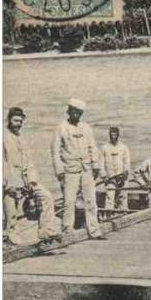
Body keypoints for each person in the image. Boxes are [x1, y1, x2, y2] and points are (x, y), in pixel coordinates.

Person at [4, 107, 59, 244]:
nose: (18, 124)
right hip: (9, 180)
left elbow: (29, 161)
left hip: (26, 180)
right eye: (16, 120)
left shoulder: (22, 138)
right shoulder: (2, 137)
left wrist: (32, 181)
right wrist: (6, 185)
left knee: (46, 196)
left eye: (21, 121)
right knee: (12, 213)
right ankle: (11, 240)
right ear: (8, 120)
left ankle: (46, 231)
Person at [51, 98, 103, 239]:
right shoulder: (61, 128)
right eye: (74, 112)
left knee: (91, 200)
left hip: (86, 168)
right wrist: (59, 171)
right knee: (69, 201)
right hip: (70, 169)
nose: (76, 115)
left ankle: (94, 230)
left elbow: (92, 147)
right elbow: (55, 151)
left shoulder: (86, 127)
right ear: (69, 111)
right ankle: (68, 230)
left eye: (79, 113)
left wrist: (96, 165)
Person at [100, 127, 131, 212]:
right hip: (110, 178)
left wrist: (125, 172)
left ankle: (124, 213)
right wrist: (104, 176)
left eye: (115, 133)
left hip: (122, 177)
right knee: (110, 197)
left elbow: (127, 162)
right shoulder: (104, 148)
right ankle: (109, 215)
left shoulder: (124, 147)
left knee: (123, 197)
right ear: (109, 134)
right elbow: (101, 164)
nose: (113, 135)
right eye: (111, 133)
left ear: (118, 134)